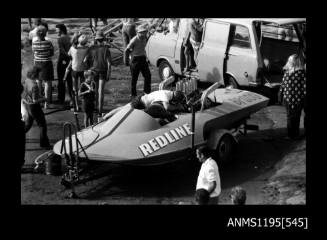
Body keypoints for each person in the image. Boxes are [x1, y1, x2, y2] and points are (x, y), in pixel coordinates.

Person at [84, 30, 112, 119]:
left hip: (93, 71)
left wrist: (88, 68)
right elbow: (109, 64)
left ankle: (95, 107)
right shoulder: (106, 49)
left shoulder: (91, 48)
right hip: (103, 71)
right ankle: (100, 111)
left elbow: (85, 60)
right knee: (101, 92)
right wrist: (108, 74)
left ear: (96, 39)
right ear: (103, 39)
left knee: (95, 91)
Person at [278, 54, 306, 140]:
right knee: (293, 117)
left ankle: (292, 135)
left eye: (290, 61)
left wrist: (280, 95)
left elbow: (304, 87)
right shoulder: (291, 72)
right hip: (292, 98)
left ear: (293, 62)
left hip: (294, 99)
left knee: (293, 117)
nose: (289, 62)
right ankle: (293, 134)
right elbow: (283, 85)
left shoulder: (299, 73)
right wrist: (280, 94)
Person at [22, 67, 51, 149]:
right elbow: (35, 100)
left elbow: (29, 94)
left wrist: (39, 96)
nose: (40, 75)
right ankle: (44, 144)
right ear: (35, 74)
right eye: (39, 73)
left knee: (28, 124)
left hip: (28, 106)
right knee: (42, 126)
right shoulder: (34, 86)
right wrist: (44, 99)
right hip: (34, 108)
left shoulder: (27, 80)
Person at [125, 24, 152, 97]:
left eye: (144, 32)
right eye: (142, 32)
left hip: (143, 58)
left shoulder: (145, 38)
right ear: (138, 33)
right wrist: (126, 61)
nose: (143, 34)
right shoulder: (134, 40)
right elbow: (126, 50)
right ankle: (133, 94)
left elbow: (149, 36)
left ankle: (147, 92)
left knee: (148, 75)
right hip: (135, 60)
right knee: (134, 78)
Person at [32, 25, 54, 110]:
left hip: (37, 63)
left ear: (37, 34)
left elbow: (34, 52)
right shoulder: (48, 43)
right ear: (45, 34)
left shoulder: (34, 43)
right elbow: (52, 53)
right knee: (47, 83)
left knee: (38, 82)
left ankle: (39, 101)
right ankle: (46, 103)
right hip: (46, 63)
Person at [68, 33, 89, 111]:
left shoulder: (73, 48)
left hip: (75, 70)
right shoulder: (87, 49)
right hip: (83, 70)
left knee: (75, 88)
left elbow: (68, 54)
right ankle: (84, 104)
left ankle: (76, 106)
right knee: (83, 87)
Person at [56, 24, 72, 105]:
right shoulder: (70, 38)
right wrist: (70, 57)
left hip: (62, 60)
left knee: (61, 80)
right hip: (70, 61)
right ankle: (71, 98)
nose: (56, 31)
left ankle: (61, 98)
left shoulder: (60, 39)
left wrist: (66, 56)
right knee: (69, 80)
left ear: (61, 30)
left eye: (57, 30)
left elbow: (62, 51)